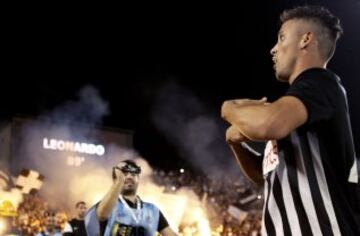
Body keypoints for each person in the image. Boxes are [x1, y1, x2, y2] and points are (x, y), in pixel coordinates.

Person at [221, 5, 360, 236]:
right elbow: (267, 176)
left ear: (306, 39)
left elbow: (268, 124)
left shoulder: (321, 84)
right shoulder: (296, 109)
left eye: (282, 38)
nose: (273, 49)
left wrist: (228, 108)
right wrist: (236, 144)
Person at [85, 160, 178, 236]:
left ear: (138, 179)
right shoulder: (109, 205)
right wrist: (119, 181)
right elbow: (102, 215)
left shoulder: (152, 210)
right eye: (124, 174)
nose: (129, 176)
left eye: (133, 174)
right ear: (115, 180)